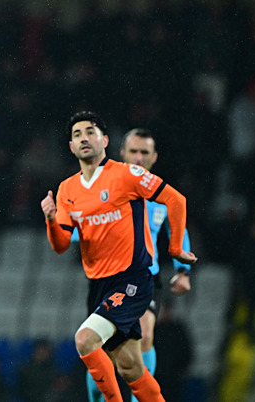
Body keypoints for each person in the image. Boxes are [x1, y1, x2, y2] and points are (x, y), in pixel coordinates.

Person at [40, 111, 197, 402]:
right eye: (77, 134)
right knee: (128, 367)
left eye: (91, 131)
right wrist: (51, 220)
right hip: (101, 284)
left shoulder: (128, 176)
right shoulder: (67, 190)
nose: (84, 137)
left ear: (106, 141)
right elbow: (61, 244)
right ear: (71, 148)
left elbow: (176, 201)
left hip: (135, 278)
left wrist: (177, 256)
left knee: (86, 339)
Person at [82, 128, 193, 402]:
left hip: (144, 279)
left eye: (145, 152)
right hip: (107, 279)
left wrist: (183, 271)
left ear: (154, 157)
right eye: (134, 151)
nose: (139, 157)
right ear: (122, 154)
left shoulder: (160, 196)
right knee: (103, 349)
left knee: (144, 335)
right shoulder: (103, 189)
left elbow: (180, 231)